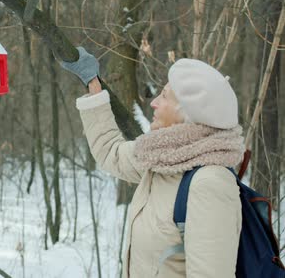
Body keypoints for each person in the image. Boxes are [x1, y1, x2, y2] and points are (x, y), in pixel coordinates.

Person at [60, 48, 245, 277]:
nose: (154, 102)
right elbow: (112, 153)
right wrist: (92, 82)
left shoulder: (210, 183)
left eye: (165, 96)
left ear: (188, 113)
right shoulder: (161, 159)